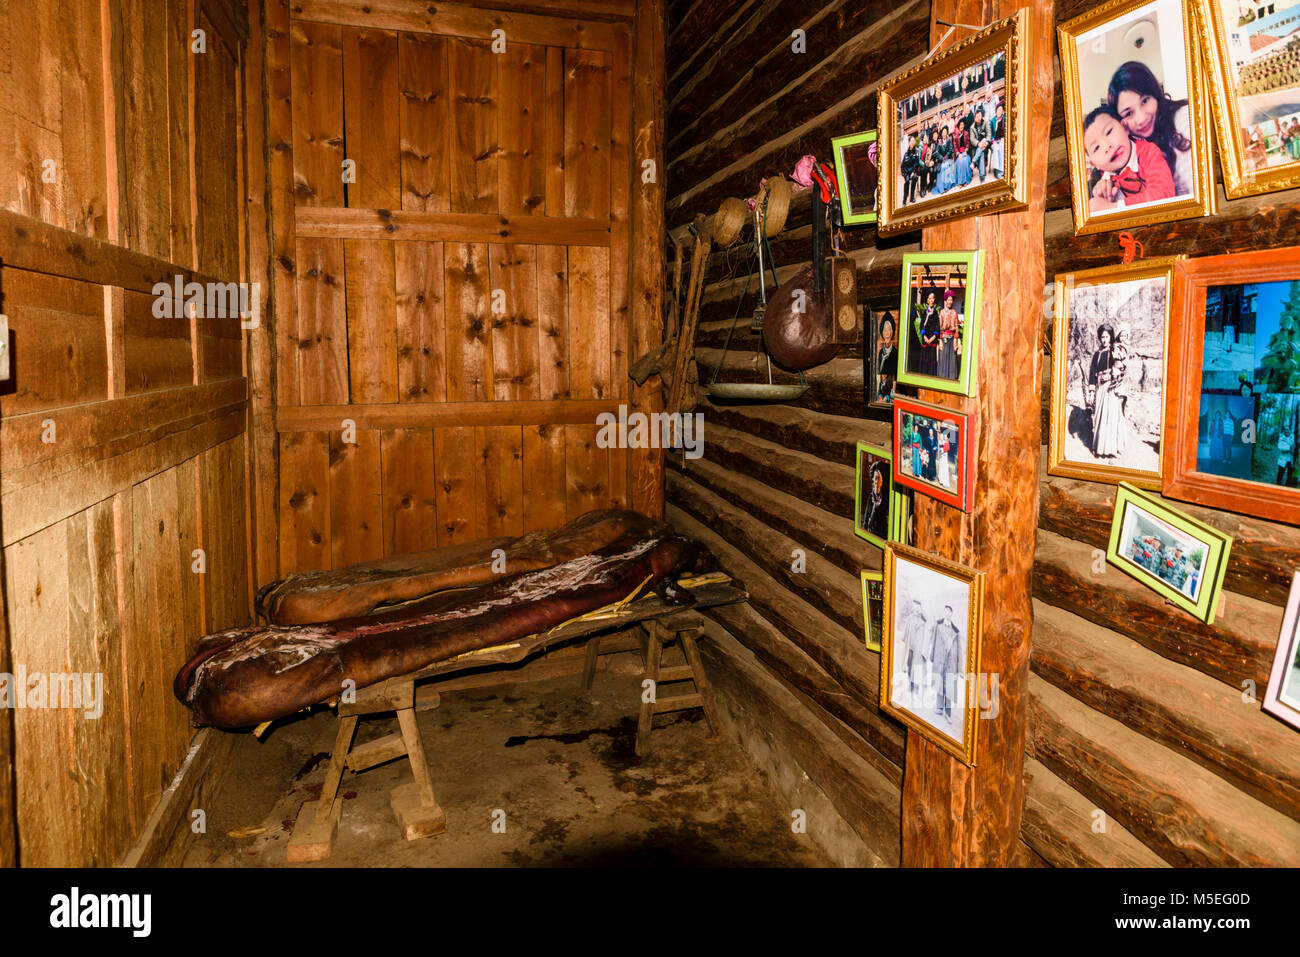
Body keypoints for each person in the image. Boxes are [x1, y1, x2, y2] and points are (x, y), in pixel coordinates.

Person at [1107, 61, 1194, 198]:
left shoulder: (1184, 119)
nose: (1141, 119)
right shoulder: (1130, 149)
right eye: (1128, 113)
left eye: (1145, 101)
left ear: (1155, 94)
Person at [1084, 105, 1175, 212]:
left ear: (1125, 127)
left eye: (1109, 132)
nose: (1107, 146)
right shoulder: (1102, 180)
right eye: (1097, 147)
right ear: (1094, 164)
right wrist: (1104, 198)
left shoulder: (1148, 153)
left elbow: (1164, 195)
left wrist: (1112, 208)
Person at [1088, 322, 1127, 458]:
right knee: (1099, 416)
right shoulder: (1097, 354)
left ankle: (1110, 449)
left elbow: (1121, 366)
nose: (1104, 339)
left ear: (1111, 337)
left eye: (1107, 337)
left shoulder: (1114, 351)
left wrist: (1115, 378)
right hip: (1100, 388)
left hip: (1111, 388)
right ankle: (1099, 448)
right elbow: (1092, 372)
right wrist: (1092, 391)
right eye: (1102, 337)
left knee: (1110, 417)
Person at [928, 607, 962, 720]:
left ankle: (948, 713)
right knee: (938, 681)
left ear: (952, 613)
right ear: (944, 612)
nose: (947, 613)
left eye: (949, 611)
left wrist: (959, 668)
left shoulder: (956, 631)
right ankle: (939, 707)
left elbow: (960, 651)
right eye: (945, 611)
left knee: (949, 685)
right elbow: (933, 641)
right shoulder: (938, 626)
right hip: (939, 658)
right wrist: (932, 656)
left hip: (950, 661)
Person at [898, 599, 929, 701]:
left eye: (918, 606)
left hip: (918, 650)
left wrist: (924, 652)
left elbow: (926, 638)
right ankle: (910, 686)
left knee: (917, 669)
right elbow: (906, 630)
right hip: (910, 647)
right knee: (909, 667)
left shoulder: (924, 621)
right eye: (915, 606)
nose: (916, 608)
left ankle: (915, 689)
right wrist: (901, 638)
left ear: (920, 607)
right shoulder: (910, 618)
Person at [937, 290, 961, 380]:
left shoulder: (954, 313)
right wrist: (940, 342)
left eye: (951, 300)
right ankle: (942, 378)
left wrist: (955, 341)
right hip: (943, 339)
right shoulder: (942, 312)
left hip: (952, 340)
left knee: (952, 359)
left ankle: (951, 379)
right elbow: (939, 328)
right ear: (945, 301)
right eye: (948, 300)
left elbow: (957, 328)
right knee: (943, 358)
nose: (950, 302)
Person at [917, 289, 941, 376]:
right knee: (924, 362)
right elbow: (921, 326)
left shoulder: (936, 313)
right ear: (927, 300)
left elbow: (937, 327)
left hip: (932, 341)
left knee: (931, 361)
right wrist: (925, 337)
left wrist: (932, 338)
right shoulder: (924, 313)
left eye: (932, 298)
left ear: (934, 300)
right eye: (929, 298)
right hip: (925, 340)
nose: (931, 300)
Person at [876, 313, 898, 401]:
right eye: (885, 331)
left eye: (889, 330)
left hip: (890, 390)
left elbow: (894, 376)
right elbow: (880, 374)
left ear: (892, 332)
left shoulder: (894, 352)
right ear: (882, 333)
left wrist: (893, 392)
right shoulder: (881, 352)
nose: (887, 333)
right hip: (882, 388)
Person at [865, 462, 890, 539]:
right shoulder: (871, 496)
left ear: (884, 481)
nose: (875, 482)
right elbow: (866, 519)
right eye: (874, 479)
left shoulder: (888, 500)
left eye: (878, 478)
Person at [969, 107, 991, 182]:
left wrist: (986, 143)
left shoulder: (986, 122)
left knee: (984, 139)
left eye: (979, 116)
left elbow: (989, 134)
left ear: (982, 116)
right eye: (977, 116)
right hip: (977, 146)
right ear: (975, 117)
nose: (978, 118)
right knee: (981, 153)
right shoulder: (972, 127)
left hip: (986, 144)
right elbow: (972, 139)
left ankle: (974, 161)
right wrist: (979, 144)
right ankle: (982, 177)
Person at [954, 118, 972, 188]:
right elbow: (955, 146)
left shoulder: (966, 133)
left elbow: (968, 143)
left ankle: (965, 180)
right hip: (959, 153)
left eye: (962, 125)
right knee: (959, 162)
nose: (961, 126)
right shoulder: (955, 136)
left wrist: (966, 151)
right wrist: (958, 154)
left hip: (965, 152)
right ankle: (960, 182)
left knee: (965, 161)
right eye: (960, 125)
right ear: (958, 126)